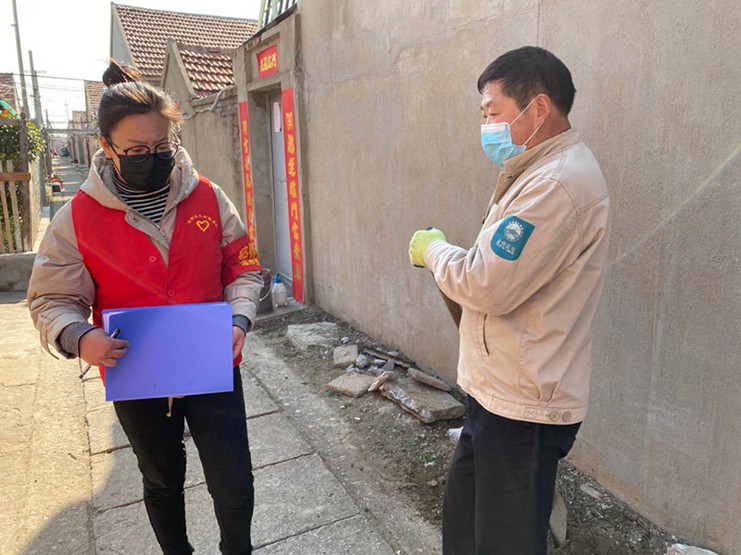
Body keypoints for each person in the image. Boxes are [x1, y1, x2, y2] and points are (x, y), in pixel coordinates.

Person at [28, 60, 262, 555]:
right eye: (135, 151)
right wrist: (79, 337)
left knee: (234, 480)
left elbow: (243, 268)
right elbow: (52, 298)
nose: (151, 158)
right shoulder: (78, 218)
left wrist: (240, 318)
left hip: (211, 359)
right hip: (137, 371)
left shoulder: (208, 198)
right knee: (161, 479)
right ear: (106, 146)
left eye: (161, 147)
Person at [408, 46, 610, 554]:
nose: (486, 125)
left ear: (537, 108)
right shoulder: (532, 172)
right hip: (497, 393)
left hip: (523, 409)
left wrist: (434, 251)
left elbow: (486, 283)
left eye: (491, 111)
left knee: (504, 542)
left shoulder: (557, 184)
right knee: (466, 530)